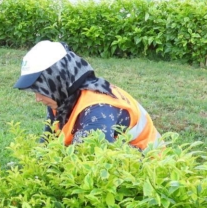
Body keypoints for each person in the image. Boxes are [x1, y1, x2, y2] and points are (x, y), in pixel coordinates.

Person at [13, 41, 160, 149]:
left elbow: (85, 161)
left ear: (58, 80)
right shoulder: (61, 98)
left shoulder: (99, 110)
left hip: (149, 170)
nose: (38, 98)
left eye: (41, 89)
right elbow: (47, 144)